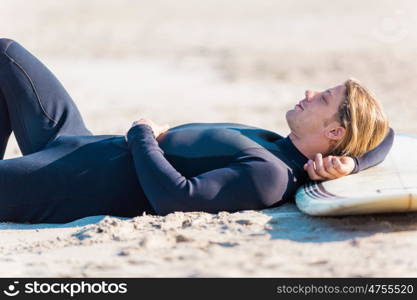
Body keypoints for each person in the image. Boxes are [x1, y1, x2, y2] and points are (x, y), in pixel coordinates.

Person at [0, 39, 394, 224]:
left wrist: (141, 134)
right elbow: (388, 136)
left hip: (63, 181)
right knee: (7, 54)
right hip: (75, 141)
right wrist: (354, 163)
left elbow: (176, 199)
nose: (309, 93)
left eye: (323, 97)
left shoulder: (270, 175)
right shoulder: (277, 145)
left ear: (333, 130)